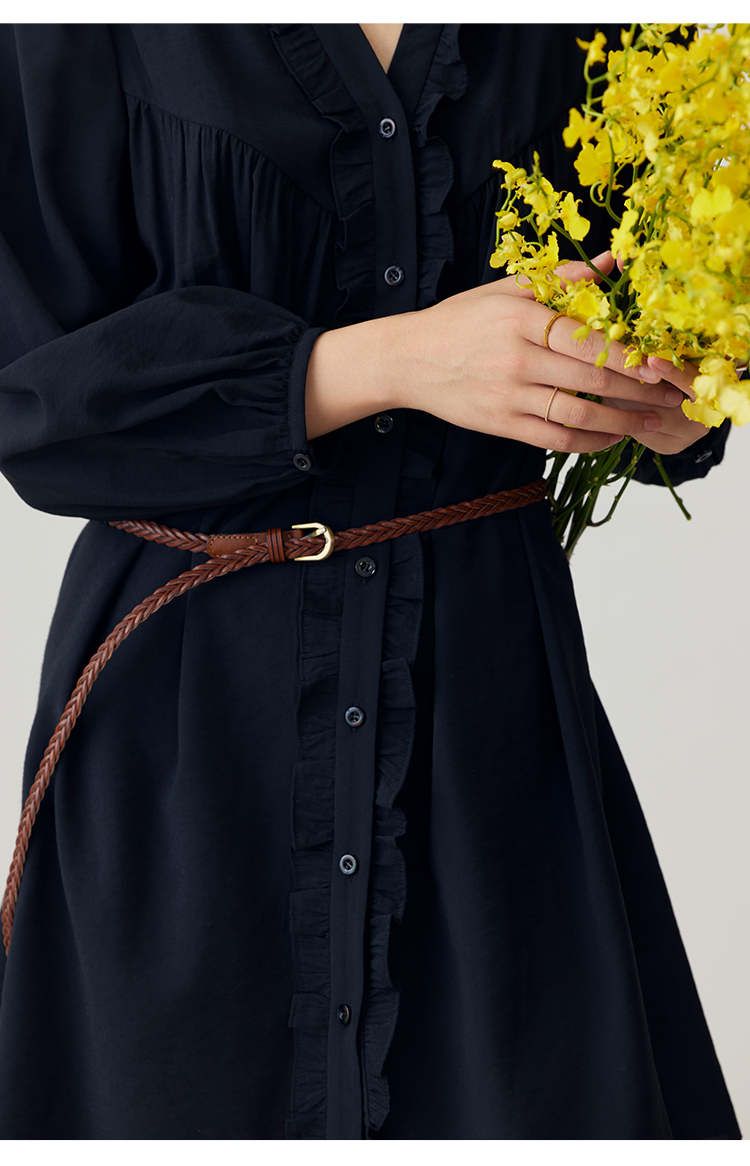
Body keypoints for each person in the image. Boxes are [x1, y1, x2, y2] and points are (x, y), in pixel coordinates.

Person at [0, 23, 741, 1140]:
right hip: (181, 745)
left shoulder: (619, 30)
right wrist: (392, 361)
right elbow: (33, 398)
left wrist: (674, 389)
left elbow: (681, 298)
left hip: (492, 734)